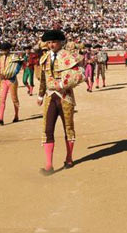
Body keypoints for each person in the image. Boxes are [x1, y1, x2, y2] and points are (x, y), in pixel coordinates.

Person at [36, 30, 84, 175]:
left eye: (54, 42)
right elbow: (44, 78)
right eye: (49, 42)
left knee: (68, 127)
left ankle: (69, 158)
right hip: (50, 96)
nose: (51, 45)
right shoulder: (44, 58)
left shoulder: (68, 56)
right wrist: (40, 95)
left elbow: (78, 76)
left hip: (65, 96)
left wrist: (62, 85)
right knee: (47, 129)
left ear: (60, 42)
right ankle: (49, 165)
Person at [0, 42, 23, 125]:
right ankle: (0, 118)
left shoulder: (14, 57)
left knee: (14, 99)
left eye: (5, 50)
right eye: (2, 50)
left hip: (12, 80)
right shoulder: (0, 58)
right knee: (2, 99)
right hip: (4, 81)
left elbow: (17, 68)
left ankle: (16, 116)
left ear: (8, 49)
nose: (3, 52)